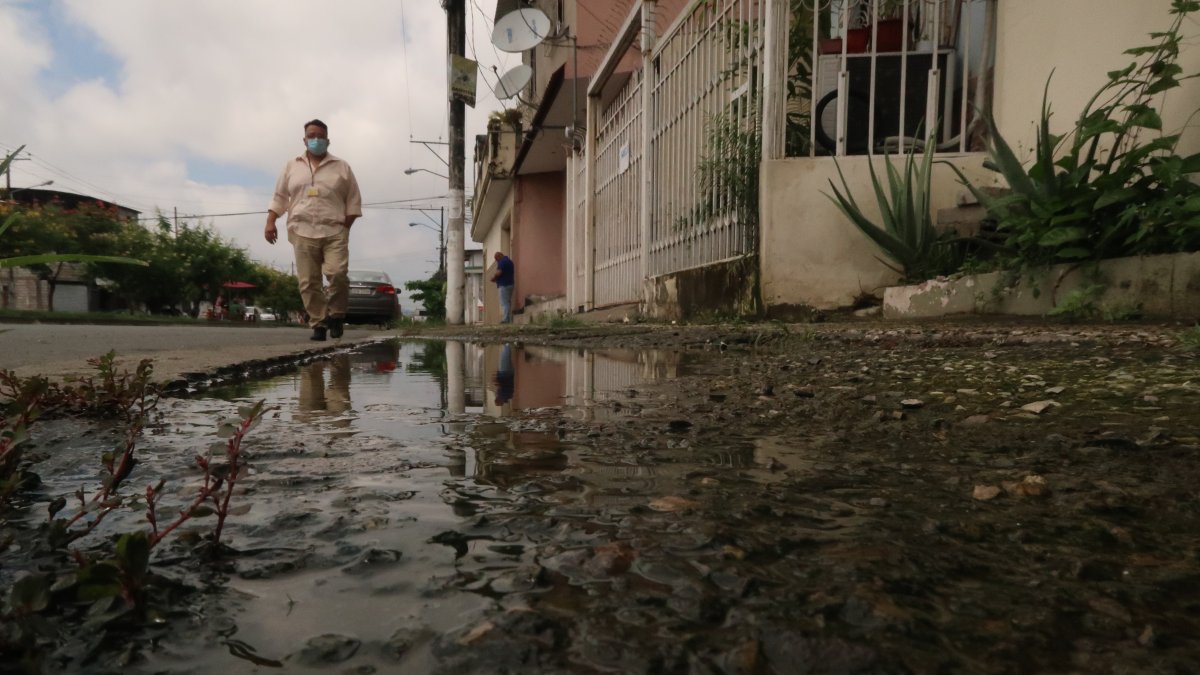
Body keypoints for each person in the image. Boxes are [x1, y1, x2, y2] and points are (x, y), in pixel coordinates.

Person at [265, 118, 362, 341]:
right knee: (308, 281)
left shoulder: (342, 167)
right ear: (304, 139)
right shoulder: (291, 166)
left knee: (337, 274)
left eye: (320, 136)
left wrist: (344, 227)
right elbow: (280, 197)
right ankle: (318, 323)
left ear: (328, 140)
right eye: (312, 136)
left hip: (334, 230)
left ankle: (336, 315)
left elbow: (354, 201)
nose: (316, 140)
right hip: (301, 230)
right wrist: (270, 222)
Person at [491, 251, 515, 324]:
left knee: (504, 303)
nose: (496, 261)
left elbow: (499, 272)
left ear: (499, 256)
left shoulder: (502, 262)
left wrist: (494, 278)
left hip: (504, 285)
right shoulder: (510, 262)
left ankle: (505, 320)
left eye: (496, 259)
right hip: (510, 284)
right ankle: (508, 318)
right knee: (507, 302)